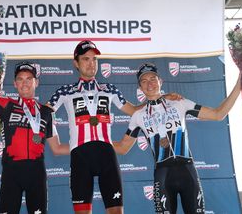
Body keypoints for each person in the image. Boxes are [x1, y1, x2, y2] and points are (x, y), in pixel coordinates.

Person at [47, 40, 181, 214]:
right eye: (86, 59)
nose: (91, 63)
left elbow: (133, 110)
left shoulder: (109, 89)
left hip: (106, 156)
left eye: (94, 59)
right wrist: (55, 145)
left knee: (117, 212)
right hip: (80, 157)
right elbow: (43, 114)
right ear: (76, 63)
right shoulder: (65, 91)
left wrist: (160, 98)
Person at [0, 27, 69, 214]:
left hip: (37, 174)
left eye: (29, 78)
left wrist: (89, 143)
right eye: (20, 79)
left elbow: (57, 149)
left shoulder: (46, 112)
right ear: (15, 83)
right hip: (11, 173)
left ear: (36, 82)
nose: (25, 82)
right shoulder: (6, 105)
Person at [113, 63, 241, 214]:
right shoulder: (137, 116)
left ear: (161, 81)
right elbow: (122, 147)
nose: (149, 84)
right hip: (163, 175)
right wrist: (95, 137)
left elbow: (218, 114)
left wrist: (240, 82)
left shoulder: (180, 103)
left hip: (187, 171)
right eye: (144, 81)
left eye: (153, 79)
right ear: (139, 88)